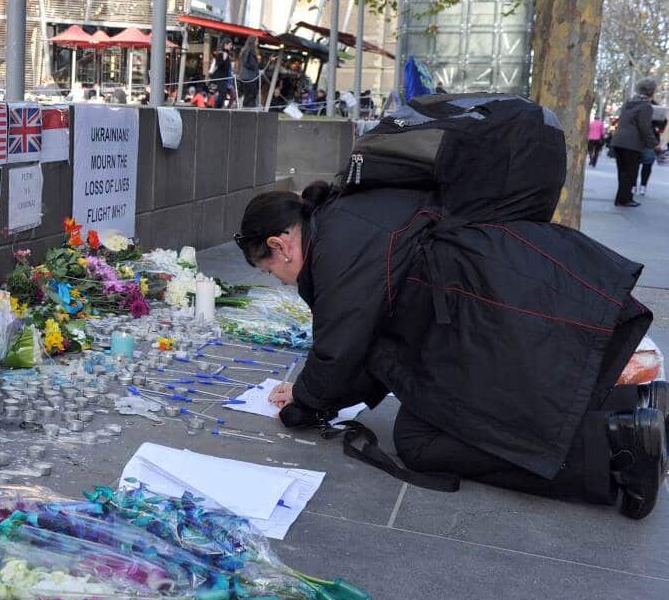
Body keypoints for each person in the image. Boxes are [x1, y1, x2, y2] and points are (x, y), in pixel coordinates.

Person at [235, 180, 665, 519]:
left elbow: (340, 346)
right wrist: (315, 396)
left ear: (281, 245)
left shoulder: (336, 250)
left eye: (270, 271)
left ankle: (617, 446)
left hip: (492, 315)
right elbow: (367, 347)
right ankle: (635, 405)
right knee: (488, 409)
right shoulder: (344, 220)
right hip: (501, 293)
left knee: (419, 440)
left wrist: (304, 404)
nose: (279, 281)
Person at [610, 78, 661, 207]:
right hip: (632, 144)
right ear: (652, 91)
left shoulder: (629, 102)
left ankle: (621, 198)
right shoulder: (646, 106)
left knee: (622, 172)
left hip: (619, 141)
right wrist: (655, 144)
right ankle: (624, 199)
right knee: (631, 173)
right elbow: (644, 127)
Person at [636, 112, 667, 195]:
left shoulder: (658, 113)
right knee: (646, 165)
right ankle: (641, 186)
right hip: (646, 142)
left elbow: (661, 129)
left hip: (643, 142)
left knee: (639, 165)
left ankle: (636, 186)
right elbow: (662, 129)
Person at [208, 38, 235, 109]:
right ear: (225, 45)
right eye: (230, 45)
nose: (231, 46)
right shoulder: (220, 54)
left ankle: (221, 109)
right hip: (221, 78)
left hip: (226, 79)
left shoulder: (227, 54)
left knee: (228, 95)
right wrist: (223, 59)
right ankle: (216, 109)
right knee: (222, 95)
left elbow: (227, 68)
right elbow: (218, 65)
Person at [238, 36, 261, 108]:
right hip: (249, 77)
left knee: (250, 94)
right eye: (256, 41)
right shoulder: (249, 51)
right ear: (253, 42)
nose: (257, 43)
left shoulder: (246, 50)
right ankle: (246, 109)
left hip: (248, 76)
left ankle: (247, 109)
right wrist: (255, 65)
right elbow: (246, 63)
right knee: (250, 95)